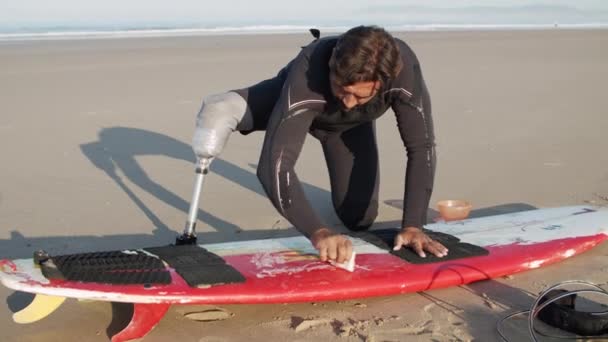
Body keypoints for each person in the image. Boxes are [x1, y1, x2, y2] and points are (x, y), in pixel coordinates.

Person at [192, 25, 448, 264]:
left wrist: (413, 225)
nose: (347, 102)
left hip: (347, 127)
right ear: (331, 65)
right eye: (341, 88)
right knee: (219, 111)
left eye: (360, 95)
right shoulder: (309, 71)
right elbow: (273, 166)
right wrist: (318, 231)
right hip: (290, 102)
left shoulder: (404, 73)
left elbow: (421, 147)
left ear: (385, 82)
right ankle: (226, 105)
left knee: (359, 219)